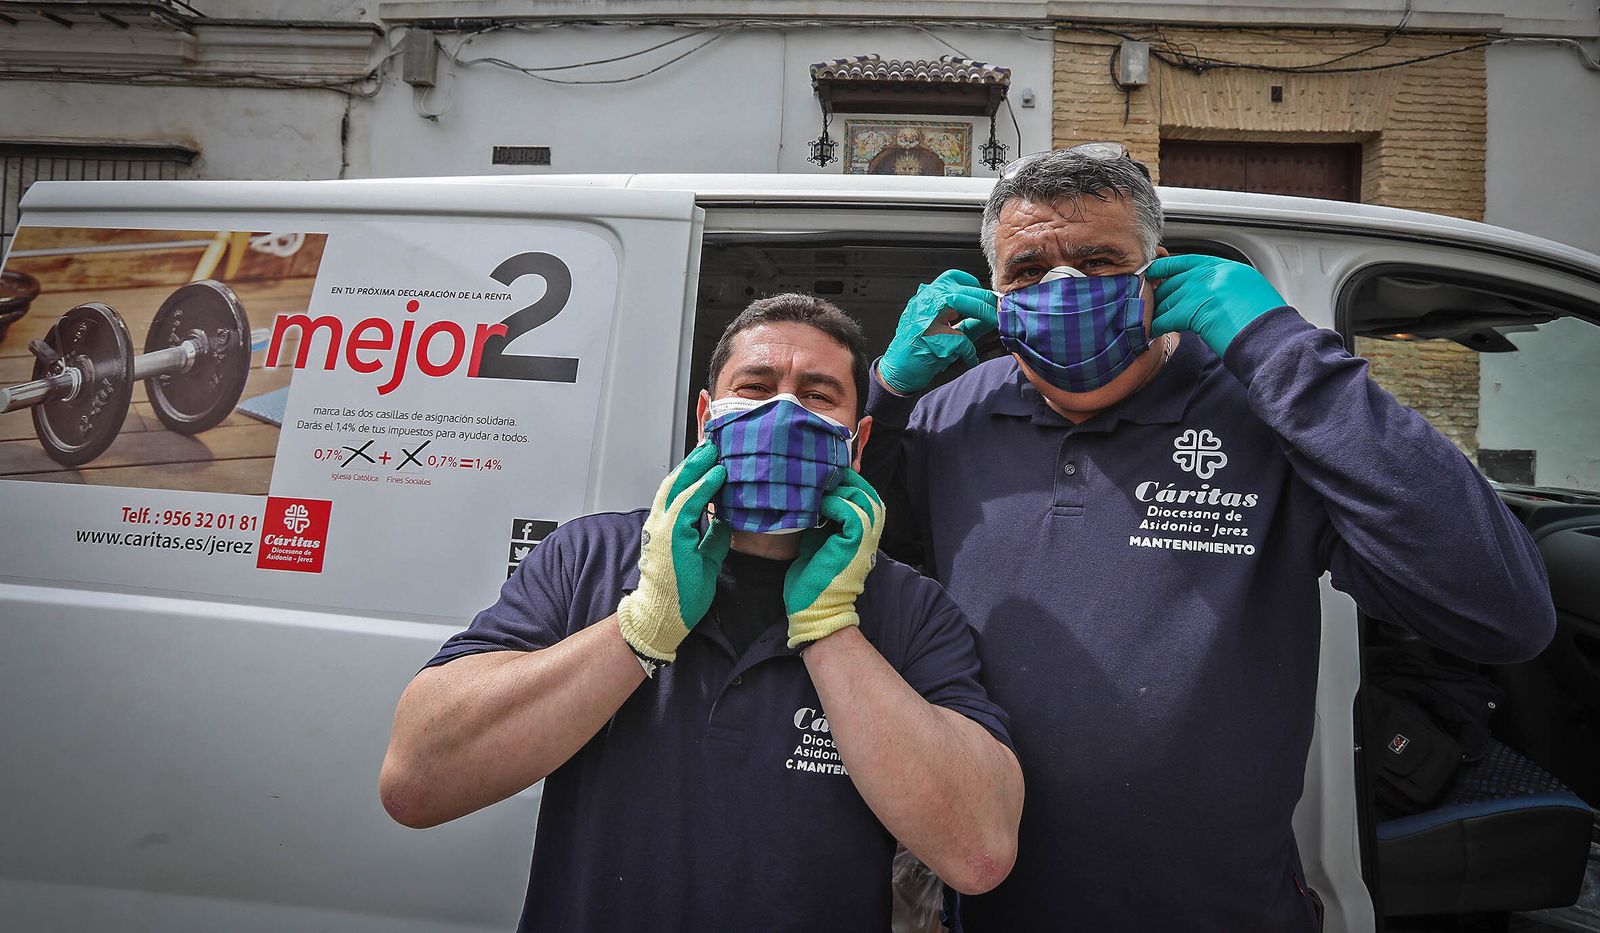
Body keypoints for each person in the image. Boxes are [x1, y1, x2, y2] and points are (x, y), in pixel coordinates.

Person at [861, 145, 1556, 931]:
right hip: (997, 907)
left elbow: (1504, 612)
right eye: (1027, 270)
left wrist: (1278, 346)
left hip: (1223, 910)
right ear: (993, 292)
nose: (1063, 287)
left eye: (1099, 259)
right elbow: (852, 569)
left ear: (1156, 270)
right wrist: (886, 393)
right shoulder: (952, 415)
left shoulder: (1267, 409)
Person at [380, 293, 1024, 933]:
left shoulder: (912, 607)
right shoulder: (591, 556)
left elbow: (978, 852)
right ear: (705, 419)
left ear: (856, 445)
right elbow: (416, 783)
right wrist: (643, 625)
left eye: (819, 395)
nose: (782, 412)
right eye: (755, 386)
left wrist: (831, 628)